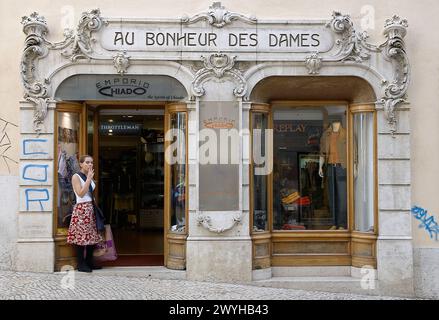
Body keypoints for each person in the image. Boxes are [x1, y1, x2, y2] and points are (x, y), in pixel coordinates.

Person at [67, 155, 103, 272]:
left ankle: (89, 262)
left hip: (90, 209)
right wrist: (88, 179)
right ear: (81, 164)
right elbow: (81, 193)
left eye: (91, 162)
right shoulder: (76, 177)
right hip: (81, 210)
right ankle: (81, 264)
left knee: (92, 237)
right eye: (87, 162)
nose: (90, 165)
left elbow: (90, 194)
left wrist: (90, 178)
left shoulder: (90, 176)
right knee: (81, 238)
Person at [318, 121, 347, 230]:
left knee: (342, 197)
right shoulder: (326, 135)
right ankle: (334, 223)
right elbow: (322, 152)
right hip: (329, 167)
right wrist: (320, 167)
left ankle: (342, 224)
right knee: (332, 197)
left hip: (342, 167)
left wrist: (354, 166)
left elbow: (353, 151)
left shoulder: (346, 133)